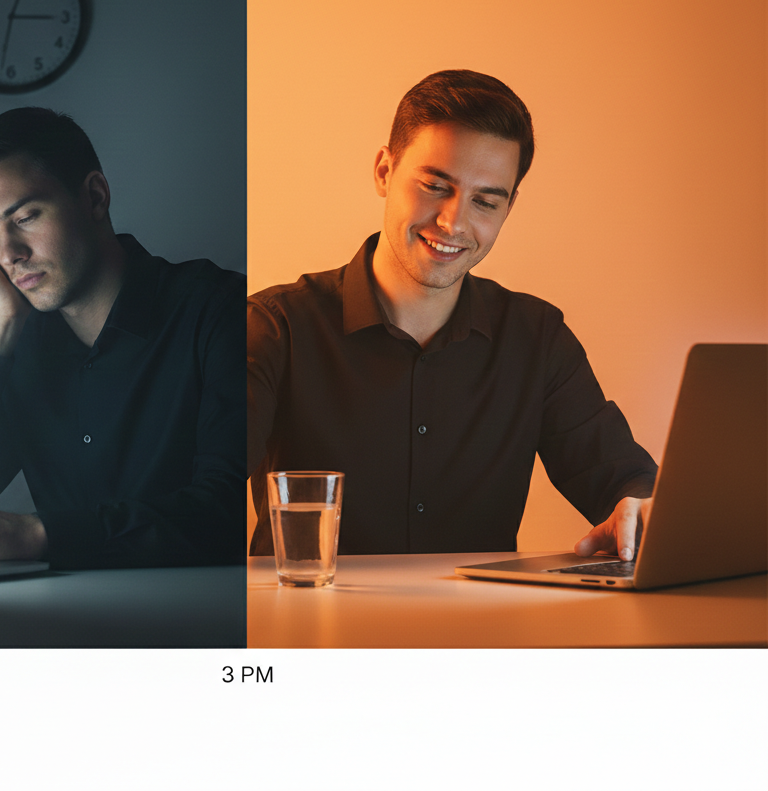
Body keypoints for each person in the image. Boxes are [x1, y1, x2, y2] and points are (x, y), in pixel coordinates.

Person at [247, 70, 657, 560]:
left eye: (486, 201)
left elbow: (622, 479)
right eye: (435, 186)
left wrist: (640, 509)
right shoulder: (273, 327)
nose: (454, 222)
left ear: (509, 208)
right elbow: (200, 482)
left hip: (481, 634)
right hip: (308, 627)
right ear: (384, 171)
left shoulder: (538, 337)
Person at [0, 107, 245, 569]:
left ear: (94, 197)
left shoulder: (220, 312)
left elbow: (229, 512)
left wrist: (39, 533)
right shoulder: (18, 349)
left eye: (26, 217)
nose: (10, 254)